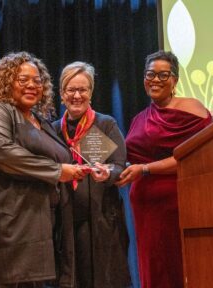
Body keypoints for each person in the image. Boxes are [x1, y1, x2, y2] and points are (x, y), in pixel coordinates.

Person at [0, 52, 87, 287]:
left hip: (38, 232)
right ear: (6, 82)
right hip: (9, 236)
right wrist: (55, 170)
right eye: (23, 80)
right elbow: (1, 152)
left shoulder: (40, 120)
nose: (32, 85)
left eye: (37, 80)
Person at [116, 50, 212, 288]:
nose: (155, 79)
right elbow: (130, 159)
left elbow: (194, 155)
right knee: (153, 266)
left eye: (163, 74)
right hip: (145, 207)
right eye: (150, 74)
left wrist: (145, 169)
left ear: (175, 80)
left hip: (175, 202)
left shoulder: (191, 108)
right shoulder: (139, 118)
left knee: (176, 265)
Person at [53, 62, 131, 288]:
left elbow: (119, 167)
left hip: (100, 219)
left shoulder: (105, 124)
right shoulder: (54, 129)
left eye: (83, 90)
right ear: (61, 93)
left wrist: (108, 173)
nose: (77, 95)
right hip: (64, 221)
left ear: (91, 93)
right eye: (71, 89)